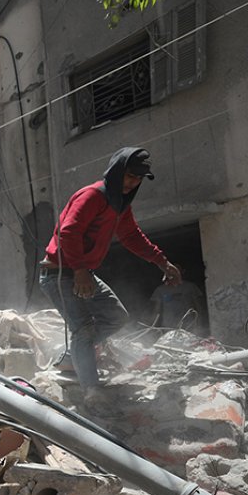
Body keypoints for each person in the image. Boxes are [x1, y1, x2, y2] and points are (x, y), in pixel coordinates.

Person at [38, 147, 182, 395]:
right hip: (60, 274)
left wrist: (162, 262)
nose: (132, 182)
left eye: (138, 179)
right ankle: (92, 392)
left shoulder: (120, 206)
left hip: (82, 272)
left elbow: (131, 236)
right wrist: (81, 270)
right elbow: (69, 232)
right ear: (116, 172)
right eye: (129, 176)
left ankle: (74, 355)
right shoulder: (93, 196)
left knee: (116, 316)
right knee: (82, 328)